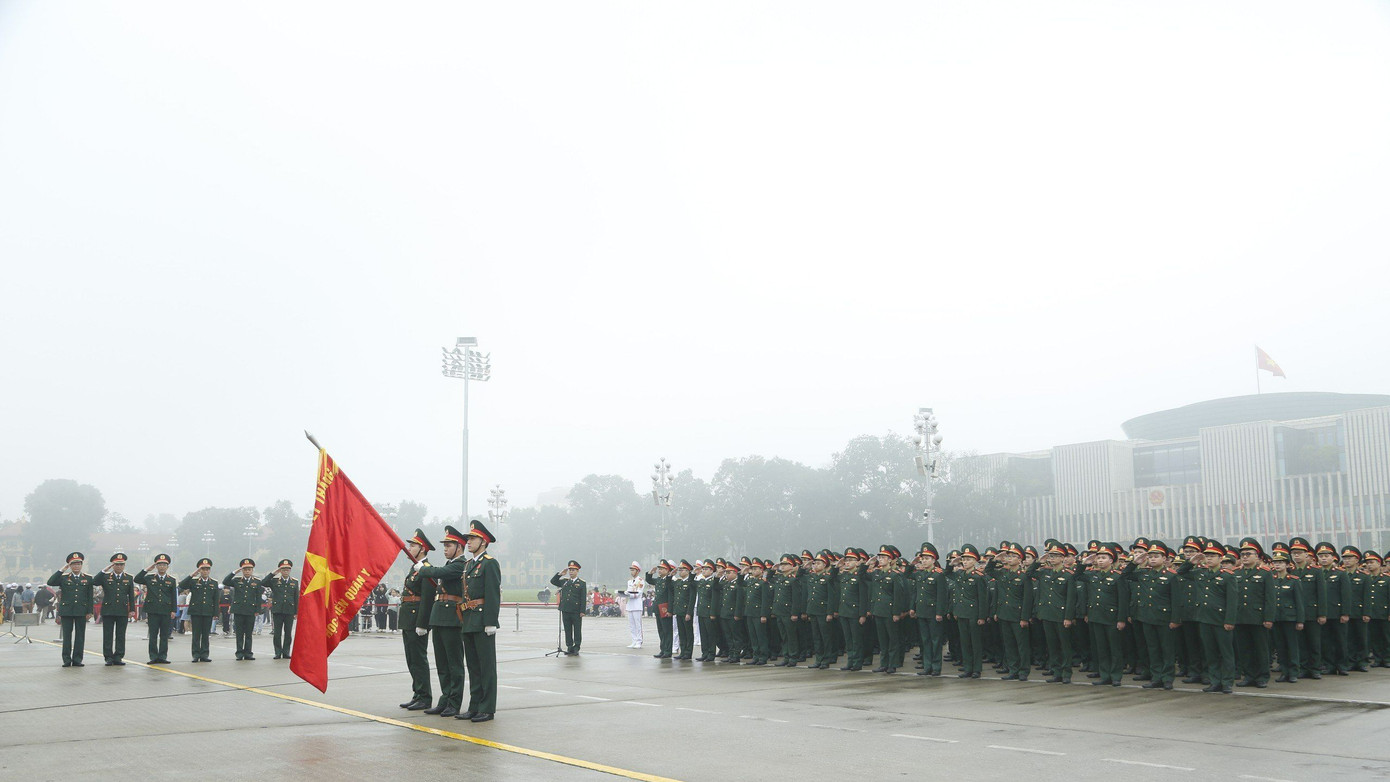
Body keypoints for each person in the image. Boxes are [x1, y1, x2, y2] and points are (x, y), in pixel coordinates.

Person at [417, 525, 468, 717]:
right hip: (439, 617)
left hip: (452, 619)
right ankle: (445, 699)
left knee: (454, 664)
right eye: (445, 545)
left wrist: (423, 568)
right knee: (442, 664)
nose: (445, 548)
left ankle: (454, 702)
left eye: (449, 545)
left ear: (459, 547)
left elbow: (436, 573)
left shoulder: (460, 565)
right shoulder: (449, 565)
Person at [459, 519, 501, 722]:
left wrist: (490, 621)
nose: (468, 542)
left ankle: (487, 707)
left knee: (486, 667)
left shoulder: (490, 563)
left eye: (472, 538)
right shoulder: (468, 565)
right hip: (468, 620)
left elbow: (493, 594)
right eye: (468, 538)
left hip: (483, 620)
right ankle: (474, 705)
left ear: (483, 541)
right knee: (473, 667)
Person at [399, 528, 437, 711]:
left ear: (422, 549)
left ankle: (425, 697)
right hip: (408, 619)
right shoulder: (414, 569)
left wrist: (423, 624)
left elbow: (427, 599)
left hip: (417, 621)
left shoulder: (427, 570)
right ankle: (418, 693)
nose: (409, 548)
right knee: (411, 659)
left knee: (419, 659)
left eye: (413, 545)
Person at [48, 552, 94, 667]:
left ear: (81, 565)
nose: (76, 566)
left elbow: (90, 596)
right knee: (67, 636)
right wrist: (62, 569)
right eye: (73, 564)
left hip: (81, 611)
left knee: (80, 636)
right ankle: (67, 660)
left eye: (78, 564)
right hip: (67, 610)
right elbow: (50, 582)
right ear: (70, 565)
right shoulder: (63, 577)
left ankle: (77, 659)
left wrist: (89, 611)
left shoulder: (87, 578)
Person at [92, 552, 136, 666]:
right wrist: (104, 570)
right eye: (117, 564)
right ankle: (108, 657)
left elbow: (131, 595)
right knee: (108, 635)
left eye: (121, 565)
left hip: (122, 610)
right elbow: (94, 581)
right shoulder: (106, 577)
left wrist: (132, 610)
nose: (119, 567)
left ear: (124, 566)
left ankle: (118, 656)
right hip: (108, 610)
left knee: (121, 635)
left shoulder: (129, 578)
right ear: (113, 565)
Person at [133, 553, 178, 664]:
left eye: (164, 565)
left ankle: (162, 656)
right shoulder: (149, 578)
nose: (162, 567)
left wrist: (173, 610)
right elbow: (137, 579)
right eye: (159, 564)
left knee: (164, 635)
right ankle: (153, 656)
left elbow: (173, 596)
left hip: (166, 611)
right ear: (156, 566)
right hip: (153, 610)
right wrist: (147, 569)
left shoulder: (171, 580)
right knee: (153, 635)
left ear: (167, 567)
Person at [180, 558, 220, 662]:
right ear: (199, 570)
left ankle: (205, 655)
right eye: (203, 569)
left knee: (206, 634)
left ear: (209, 570)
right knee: (196, 634)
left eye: (207, 569)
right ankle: (196, 654)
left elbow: (216, 599)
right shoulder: (193, 581)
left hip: (208, 611)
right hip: (196, 611)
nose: (205, 571)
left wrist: (216, 613)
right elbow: (182, 585)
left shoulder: (214, 583)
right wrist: (192, 574)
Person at [223, 558, 263, 660]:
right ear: (242, 570)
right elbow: (225, 581)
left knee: (248, 634)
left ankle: (248, 653)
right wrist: (235, 572)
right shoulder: (237, 580)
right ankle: (239, 653)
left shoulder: (257, 581)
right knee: (239, 633)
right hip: (239, 610)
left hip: (250, 610)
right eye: (245, 569)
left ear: (252, 570)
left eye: (249, 569)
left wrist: (258, 610)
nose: (247, 571)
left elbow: (258, 597)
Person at [263, 559, 299, 659]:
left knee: (288, 633)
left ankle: (286, 652)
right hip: (277, 610)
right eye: (283, 569)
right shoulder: (274, 581)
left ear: (290, 570)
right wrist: (274, 573)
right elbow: (264, 582)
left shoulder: (294, 582)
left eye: (287, 569)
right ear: (280, 570)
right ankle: (278, 652)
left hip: (289, 611)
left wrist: (296, 612)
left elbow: (296, 598)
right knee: (277, 633)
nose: (285, 571)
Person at [550, 560, 585, 656]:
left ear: (577, 571)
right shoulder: (565, 581)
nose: (571, 572)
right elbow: (553, 581)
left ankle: (576, 647)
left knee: (577, 630)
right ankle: (569, 647)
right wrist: (560, 574)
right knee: (567, 629)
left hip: (576, 610)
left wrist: (582, 611)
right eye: (570, 570)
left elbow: (583, 598)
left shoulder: (581, 583)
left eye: (573, 570)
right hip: (565, 609)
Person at [646, 560, 675, 658]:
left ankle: (668, 650)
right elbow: (649, 580)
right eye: (660, 569)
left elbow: (671, 597)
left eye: (662, 569)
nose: (660, 571)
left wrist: (670, 610)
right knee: (661, 631)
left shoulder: (670, 581)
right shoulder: (658, 580)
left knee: (667, 631)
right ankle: (662, 649)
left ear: (668, 570)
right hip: (658, 608)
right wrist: (650, 573)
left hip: (665, 609)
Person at [622, 561, 645, 648]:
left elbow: (638, 593)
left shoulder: (640, 581)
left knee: (638, 624)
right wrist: (624, 594)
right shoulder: (630, 581)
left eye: (633, 570)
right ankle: (634, 640)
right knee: (631, 625)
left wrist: (628, 594)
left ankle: (639, 641)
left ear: (637, 571)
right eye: (631, 570)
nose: (631, 571)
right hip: (630, 604)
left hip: (637, 605)